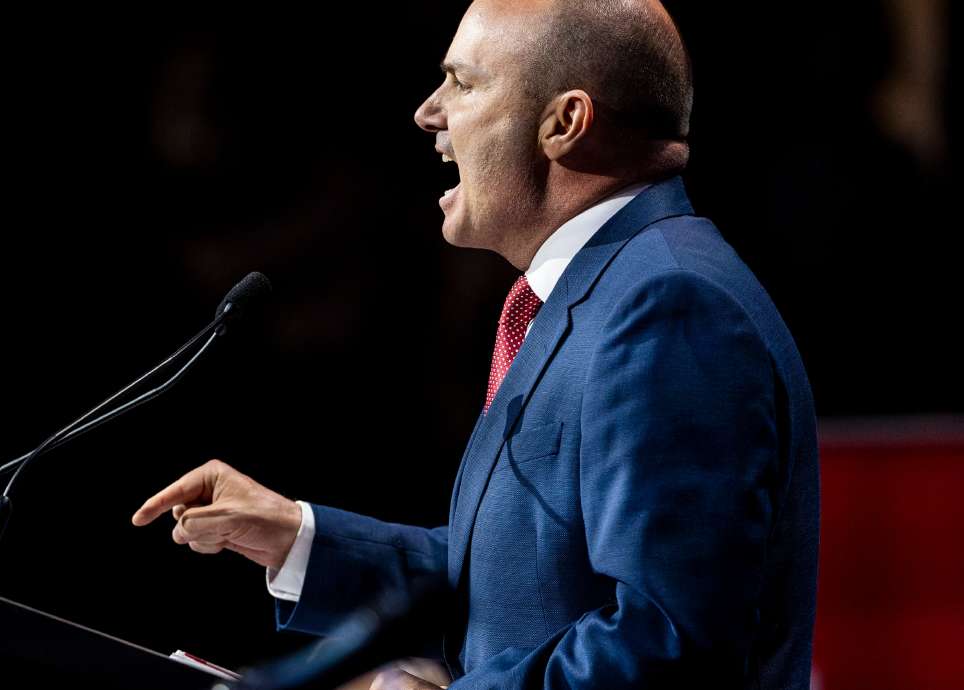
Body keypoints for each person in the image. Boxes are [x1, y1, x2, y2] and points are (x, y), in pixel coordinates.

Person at [131, 0, 820, 687]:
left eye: (461, 82)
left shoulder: (669, 306)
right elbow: (514, 582)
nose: (428, 113)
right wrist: (298, 536)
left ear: (564, 123)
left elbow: (671, 646)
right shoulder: (600, 293)